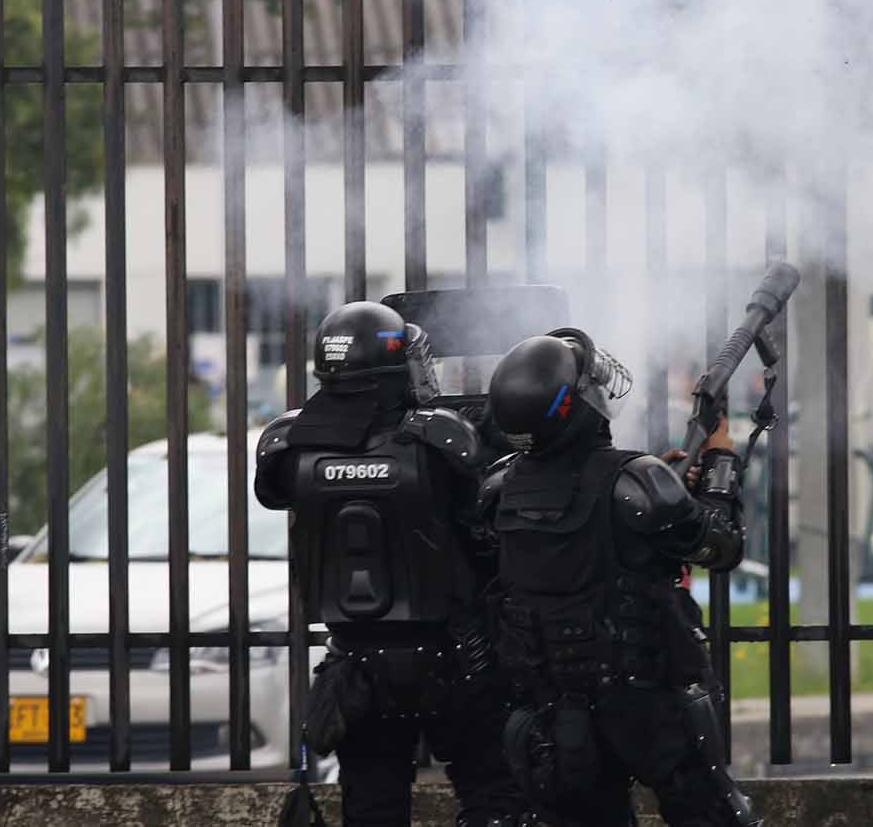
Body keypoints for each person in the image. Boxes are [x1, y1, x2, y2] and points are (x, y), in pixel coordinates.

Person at [255, 301, 523, 827]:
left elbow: (275, 493)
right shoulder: (440, 438)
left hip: (355, 664)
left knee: (372, 810)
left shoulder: (286, 444)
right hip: (455, 657)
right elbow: (489, 524)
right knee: (493, 800)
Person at [478, 328, 760, 827]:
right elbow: (720, 545)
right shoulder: (634, 481)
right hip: (647, 700)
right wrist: (719, 461)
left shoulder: (501, 487)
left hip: (553, 706)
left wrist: (663, 489)